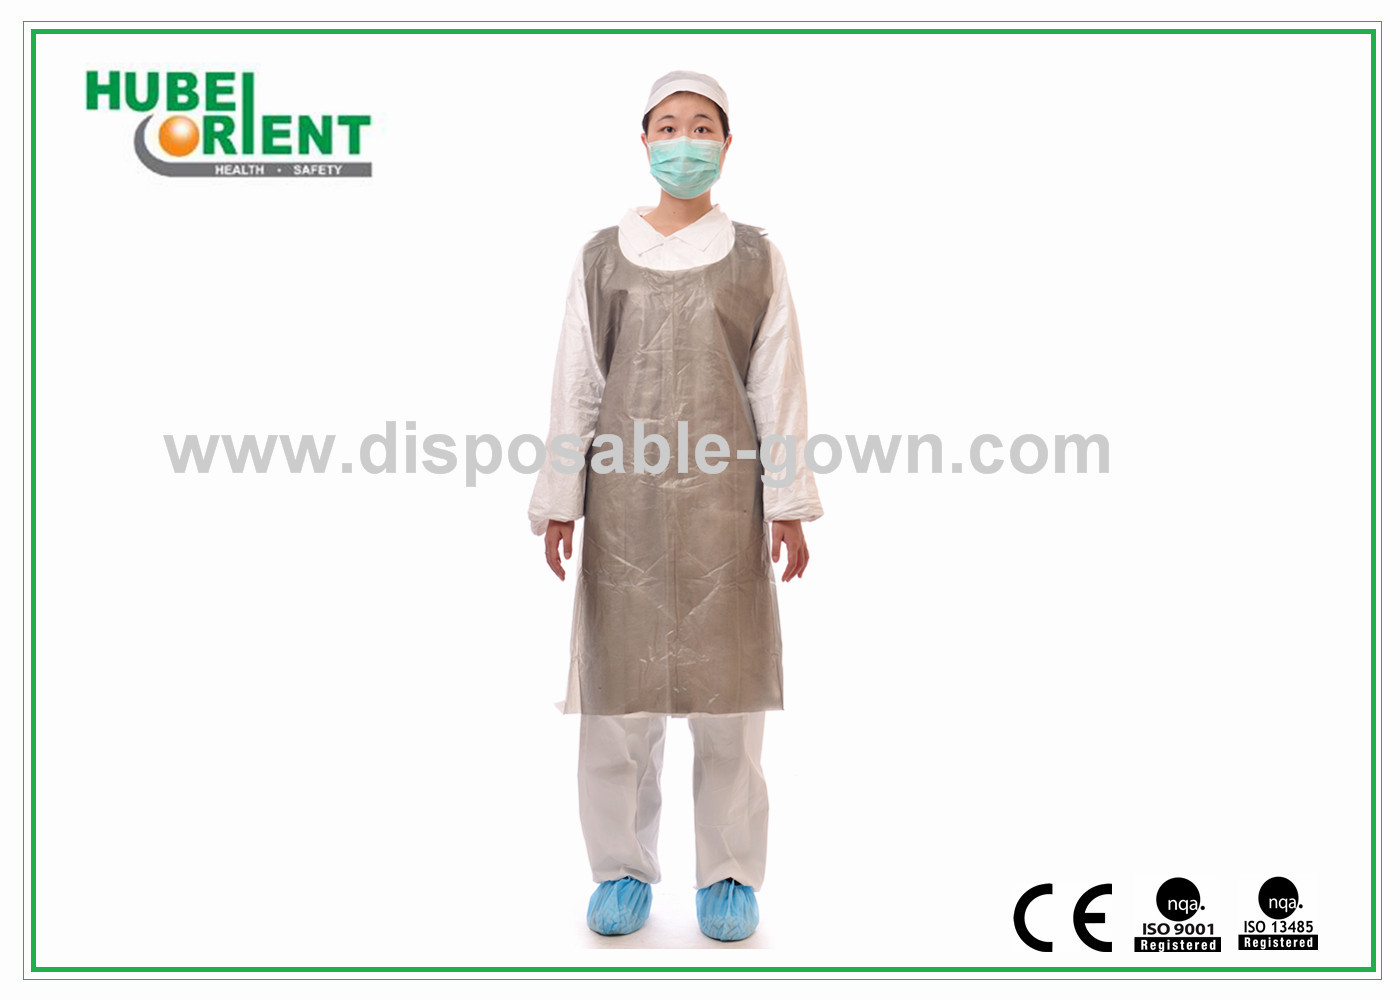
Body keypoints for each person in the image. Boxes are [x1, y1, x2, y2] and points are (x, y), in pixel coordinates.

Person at [527, 70, 823, 943]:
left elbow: (777, 383)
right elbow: (578, 382)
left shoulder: (755, 259)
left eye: (701, 127)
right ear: (644, 141)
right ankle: (619, 869)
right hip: (622, 507)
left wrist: (788, 501)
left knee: (728, 700)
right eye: (667, 126)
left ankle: (728, 874)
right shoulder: (602, 257)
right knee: (618, 701)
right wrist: (560, 498)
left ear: (726, 145)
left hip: (727, 508)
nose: (683, 141)